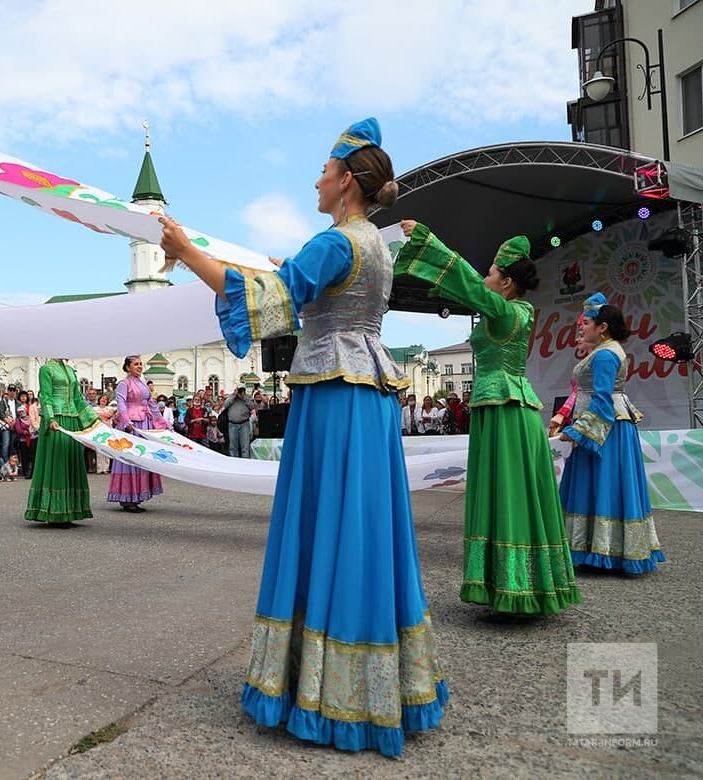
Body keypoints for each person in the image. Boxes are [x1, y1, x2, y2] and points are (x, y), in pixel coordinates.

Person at [159, 118, 446, 757]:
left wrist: (186, 252)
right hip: (366, 399)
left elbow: (267, 298)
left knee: (327, 524)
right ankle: (376, 687)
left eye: (323, 169)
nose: (315, 178)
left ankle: (326, 695)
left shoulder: (337, 241)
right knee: (364, 527)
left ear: (345, 180)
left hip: (333, 400)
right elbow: (289, 282)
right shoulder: (375, 244)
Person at [397, 221, 580, 615]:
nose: (485, 278)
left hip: (506, 412)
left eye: (492, 273)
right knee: (513, 492)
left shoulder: (508, 313)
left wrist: (428, 241)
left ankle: (517, 587)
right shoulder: (513, 312)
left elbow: (468, 285)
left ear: (507, 283)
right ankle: (518, 583)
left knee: (510, 492)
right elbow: (470, 287)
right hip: (506, 409)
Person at [559, 295, 664, 573]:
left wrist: (577, 431)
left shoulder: (605, 354)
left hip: (606, 430)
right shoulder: (607, 350)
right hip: (610, 427)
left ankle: (602, 551)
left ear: (602, 327)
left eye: (587, 323)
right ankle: (605, 549)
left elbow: (602, 399)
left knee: (603, 483)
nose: (582, 328)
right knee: (608, 485)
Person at [25, 358, 97, 524]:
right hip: (56, 421)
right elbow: (45, 396)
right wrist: (49, 418)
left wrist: (93, 420)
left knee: (71, 461)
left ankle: (70, 510)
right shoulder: (46, 369)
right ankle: (54, 511)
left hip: (72, 420)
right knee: (58, 463)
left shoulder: (71, 370)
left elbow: (78, 399)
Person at [108, 356, 168, 512]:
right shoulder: (123, 384)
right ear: (128, 367)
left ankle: (137, 496)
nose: (140, 367)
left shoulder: (142, 384)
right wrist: (127, 422)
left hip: (144, 423)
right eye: (136, 364)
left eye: (141, 364)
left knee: (142, 458)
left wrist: (163, 423)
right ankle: (127, 498)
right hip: (132, 426)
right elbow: (121, 405)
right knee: (131, 458)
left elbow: (152, 405)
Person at [223, 386, 254, 458]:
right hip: (232, 424)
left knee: (245, 447)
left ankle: (245, 464)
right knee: (233, 447)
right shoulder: (231, 397)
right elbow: (225, 405)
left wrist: (243, 397)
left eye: (242, 390)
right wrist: (234, 395)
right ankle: (234, 465)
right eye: (239, 390)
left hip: (244, 424)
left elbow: (252, 406)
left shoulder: (247, 397)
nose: (240, 391)